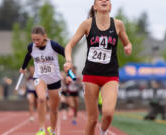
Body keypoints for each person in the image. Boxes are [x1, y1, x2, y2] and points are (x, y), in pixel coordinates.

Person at [64, 0, 132, 135]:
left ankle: (102, 132)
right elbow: (69, 45)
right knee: (93, 119)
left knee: (108, 113)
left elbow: (126, 42)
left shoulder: (118, 24)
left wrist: (127, 46)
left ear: (110, 6)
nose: (105, 0)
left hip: (110, 75)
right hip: (91, 76)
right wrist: (68, 61)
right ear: (95, 6)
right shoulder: (87, 24)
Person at [19, 25, 65, 135]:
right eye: (33, 39)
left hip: (54, 79)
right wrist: (23, 67)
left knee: (53, 109)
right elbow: (28, 56)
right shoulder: (31, 47)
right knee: (41, 99)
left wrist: (68, 63)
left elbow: (65, 52)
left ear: (45, 36)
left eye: (38, 39)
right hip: (39, 76)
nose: (35, 42)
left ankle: (52, 130)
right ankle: (41, 129)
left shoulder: (53, 45)